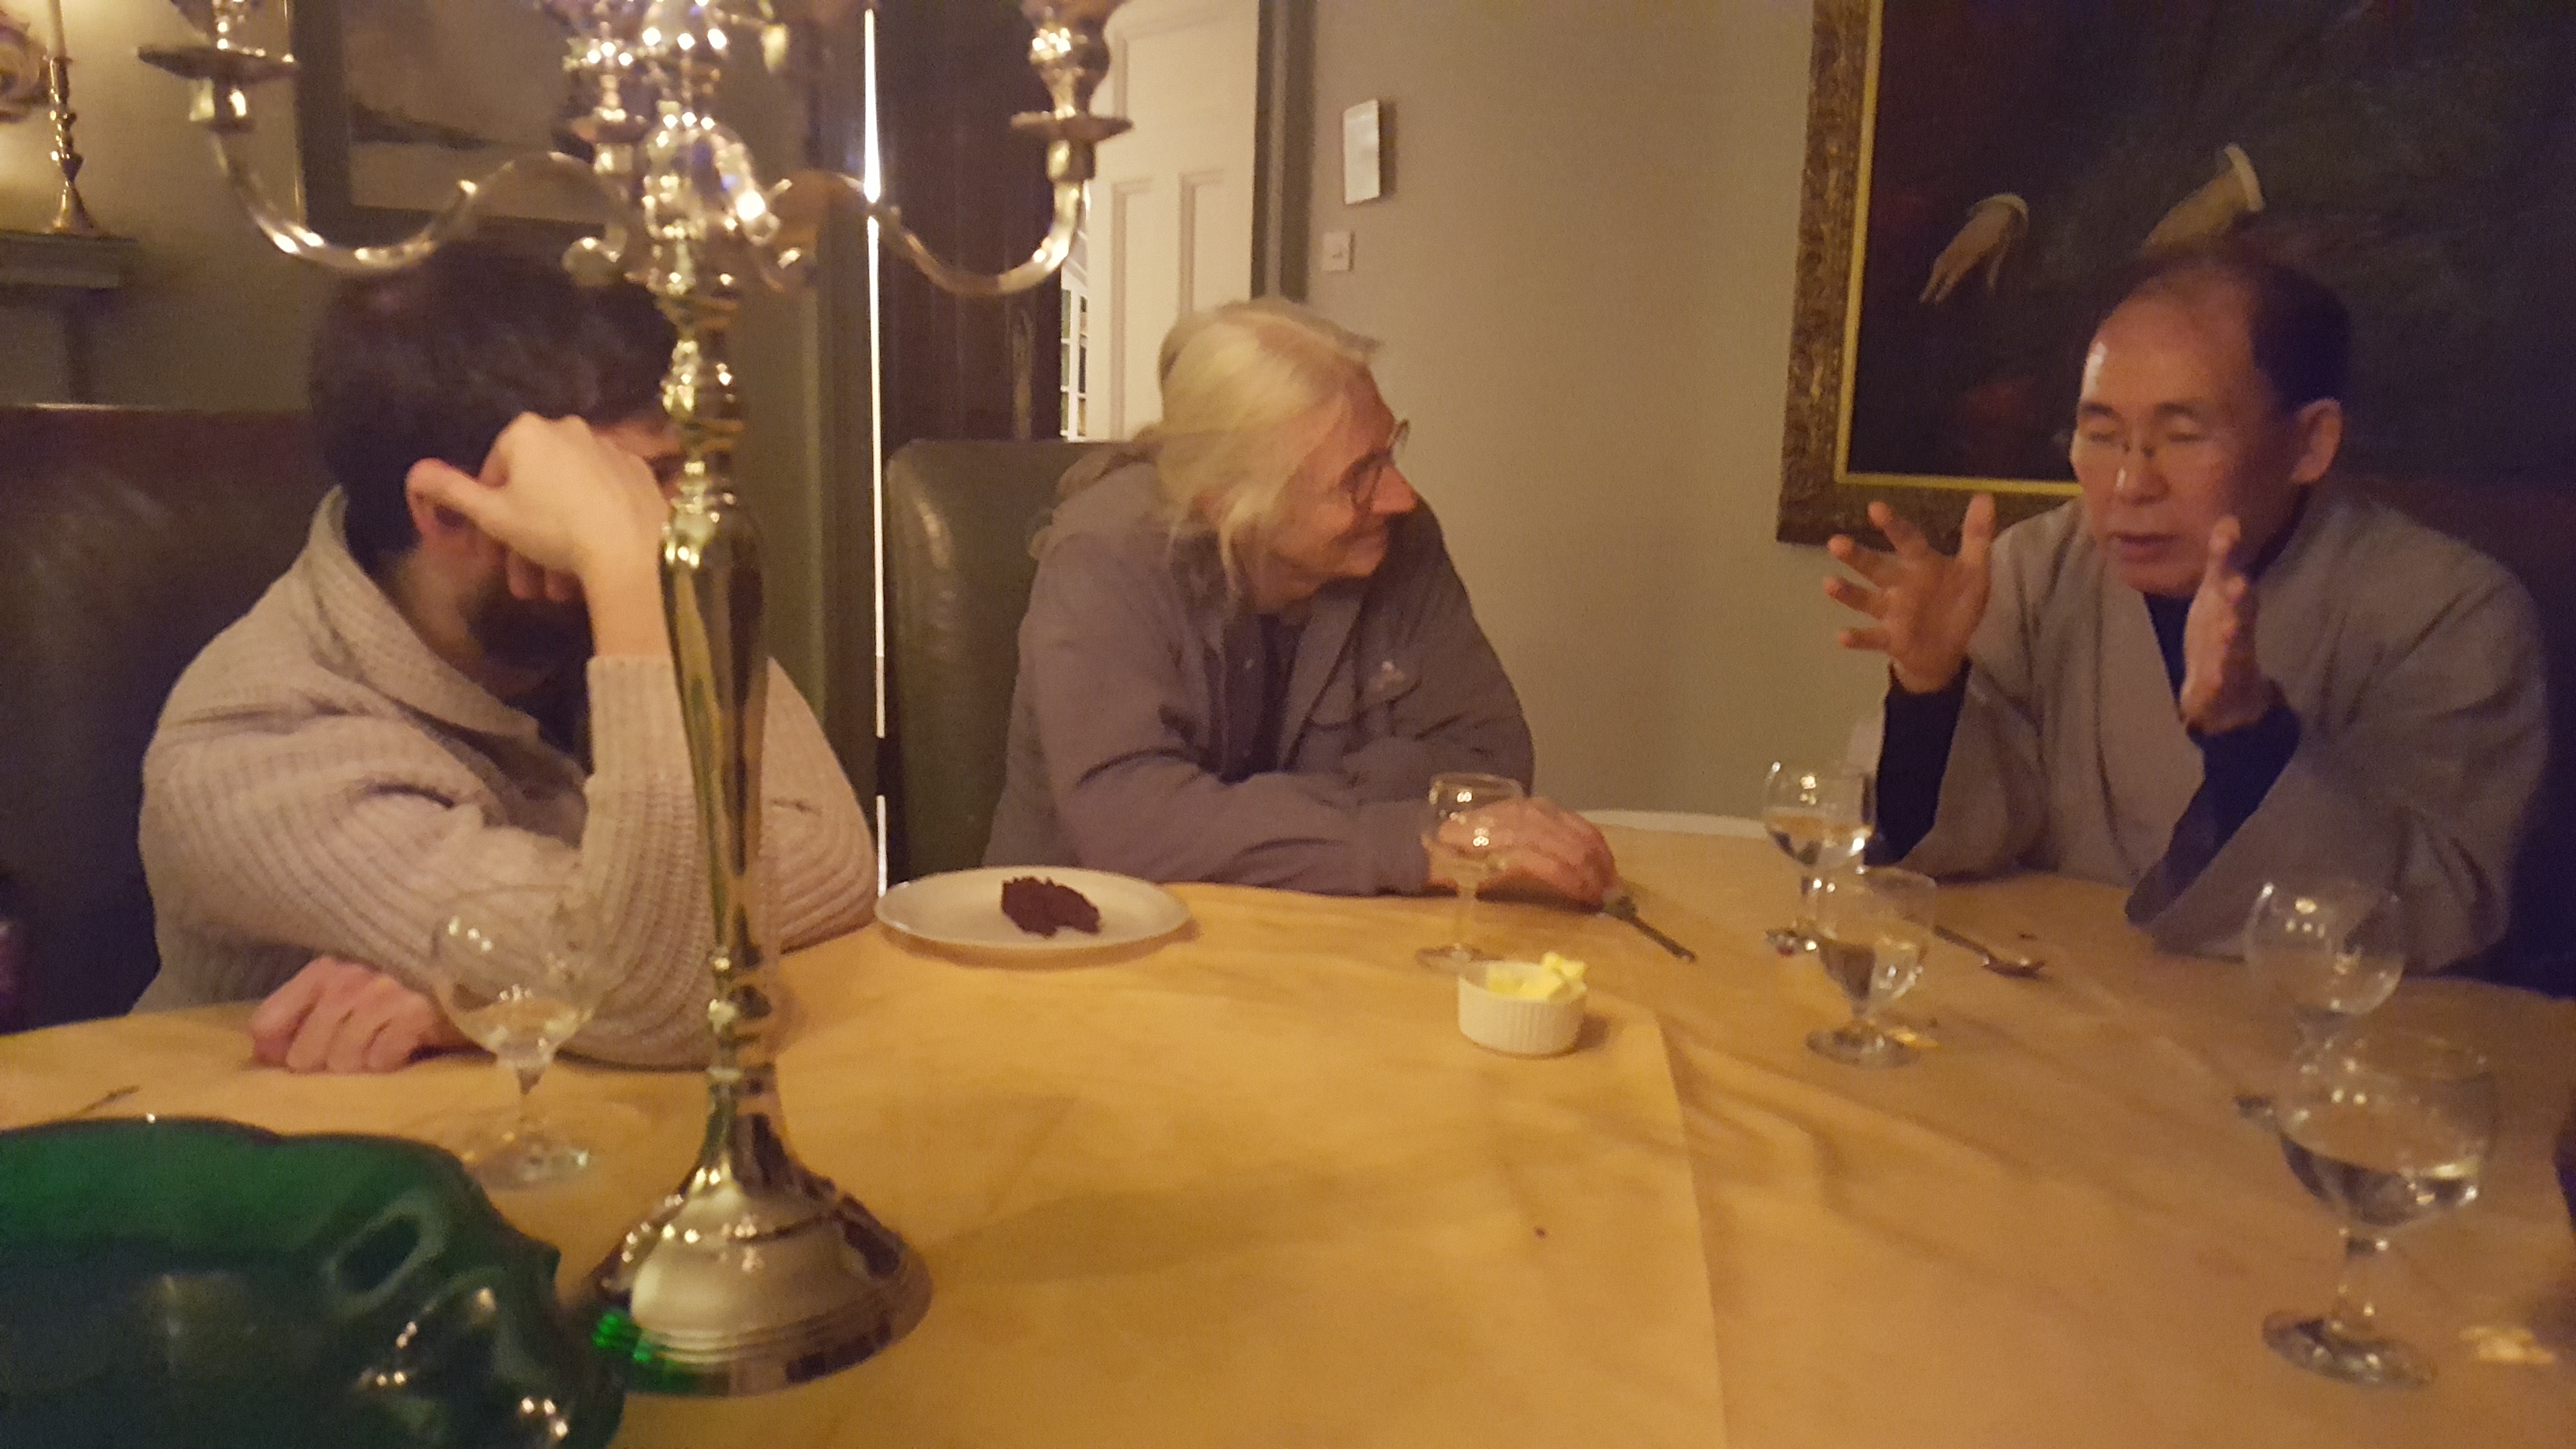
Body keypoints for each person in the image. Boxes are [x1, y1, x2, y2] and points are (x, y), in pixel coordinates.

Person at [136, 242, 877, 1072]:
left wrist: (490, 997)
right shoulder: (252, 753)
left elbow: (836, 858)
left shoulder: (617, 606)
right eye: (640, 481)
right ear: (448, 512)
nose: (679, 523)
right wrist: (629, 574)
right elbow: (673, 1003)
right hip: (291, 1146)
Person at [1825, 249, 2547, 970]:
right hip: (2064, 987)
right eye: (2101, 435)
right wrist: (1927, 692)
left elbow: (2441, 903)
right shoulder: (2038, 568)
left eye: (2181, 437)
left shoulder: (2450, 610)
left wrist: (2249, 738)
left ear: (2309, 443)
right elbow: (1944, 841)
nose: (2131, 483)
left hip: (2306, 1021)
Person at [984, 299, 1616, 904]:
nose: (1399, 496)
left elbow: (1491, 762)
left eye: (1388, 452)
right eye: (1358, 477)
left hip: (1322, 930)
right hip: (1088, 939)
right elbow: (1130, 825)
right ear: (1232, 506)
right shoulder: (1107, 556)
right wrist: (1401, 836)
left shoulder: (1398, 539)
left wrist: (1240, 822)